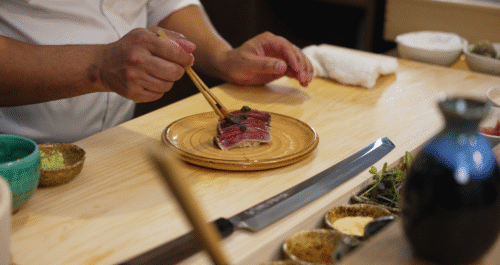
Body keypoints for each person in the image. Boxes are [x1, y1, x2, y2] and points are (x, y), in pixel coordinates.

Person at [0, 1, 313, 143]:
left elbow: (165, 3)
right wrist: (99, 67)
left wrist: (223, 58)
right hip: (13, 161)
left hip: (117, 144)